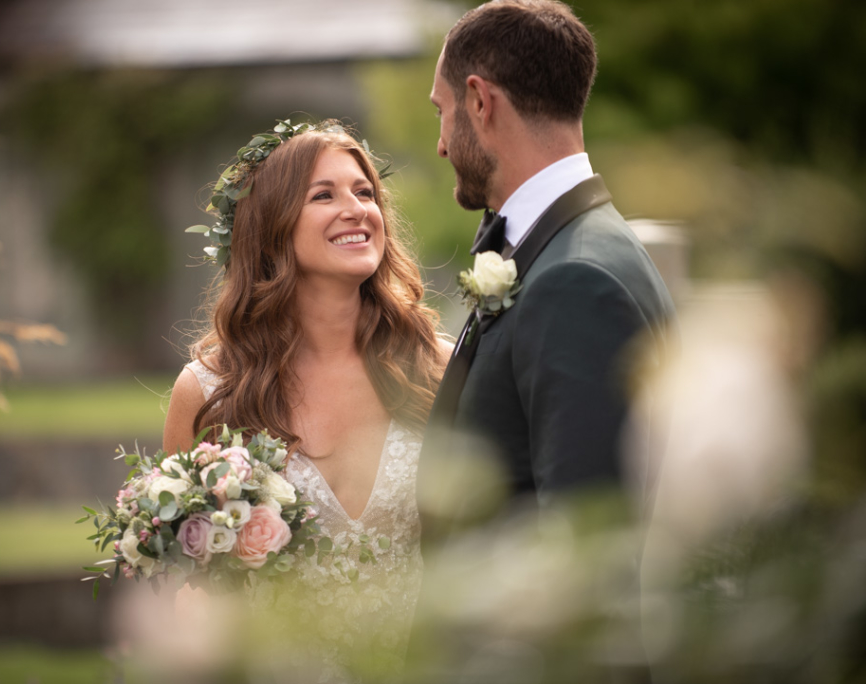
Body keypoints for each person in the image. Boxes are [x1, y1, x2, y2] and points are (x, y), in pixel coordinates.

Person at [163, 120, 451, 681]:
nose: (357, 209)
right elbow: (186, 578)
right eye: (325, 195)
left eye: (364, 193)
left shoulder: (436, 366)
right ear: (272, 227)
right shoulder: (209, 391)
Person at [420, 0, 677, 532]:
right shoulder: (568, 246)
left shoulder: (575, 281)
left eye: (441, 111)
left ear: (478, 100)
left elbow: (584, 553)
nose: (441, 145)